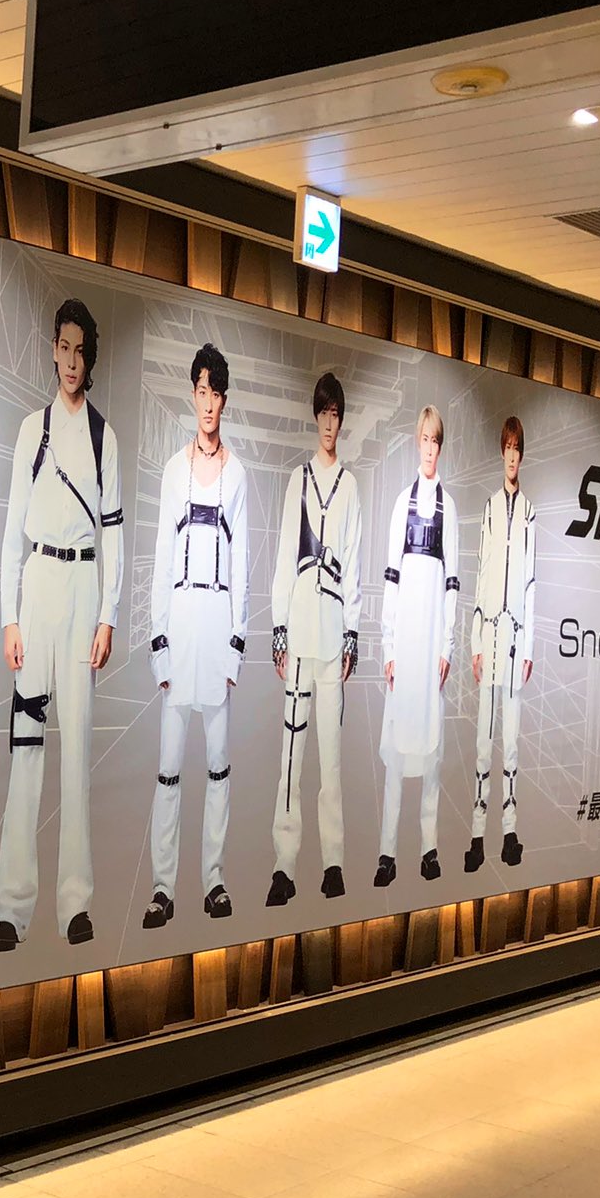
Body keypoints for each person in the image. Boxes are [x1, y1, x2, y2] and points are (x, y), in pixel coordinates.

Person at [0, 299, 123, 950]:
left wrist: (108, 615)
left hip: (82, 585)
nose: (71, 361)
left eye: (80, 351)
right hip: (38, 584)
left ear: (89, 358)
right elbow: (11, 528)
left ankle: (75, 905)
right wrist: (8, 617)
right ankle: (11, 908)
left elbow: (115, 532)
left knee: (75, 755)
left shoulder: (103, 437)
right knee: (26, 748)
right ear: (53, 350)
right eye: (63, 348)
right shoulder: (31, 431)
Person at [147, 343, 247, 927]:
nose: (208, 403)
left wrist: (236, 646)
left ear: (225, 400)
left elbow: (243, 567)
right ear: (194, 395)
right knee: (168, 769)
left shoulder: (237, 474)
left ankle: (214, 881)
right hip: (179, 632)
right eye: (201, 391)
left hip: (216, 635)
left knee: (217, 766)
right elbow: (161, 560)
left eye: (216, 393)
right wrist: (158, 644)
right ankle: (163, 888)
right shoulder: (172, 470)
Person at [267, 372, 363, 906]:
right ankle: (284, 866)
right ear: (315, 417)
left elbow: (355, 564)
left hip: (332, 635)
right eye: (323, 413)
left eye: (336, 414)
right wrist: (278, 628)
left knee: (331, 758)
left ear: (341, 421)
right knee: (290, 755)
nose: (329, 423)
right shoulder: (298, 481)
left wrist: (352, 635)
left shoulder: (350, 485)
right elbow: (285, 556)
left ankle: (333, 864)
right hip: (300, 632)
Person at [376, 405, 459, 888]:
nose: (429, 449)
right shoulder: (400, 504)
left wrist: (447, 646)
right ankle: (387, 853)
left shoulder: (450, 509)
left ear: (441, 446)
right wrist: (387, 646)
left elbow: (453, 583)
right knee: (395, 751)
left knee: (431, 752)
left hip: (431, 651)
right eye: (424, 439)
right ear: (417, 443)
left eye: (435, 441)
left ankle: (429, 850)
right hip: (404, 646)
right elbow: (390, 577)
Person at [467, 415, 536, 872]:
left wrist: (529, 647)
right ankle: (477, 835)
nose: (512, 456)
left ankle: (510, 832)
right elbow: (480, 573)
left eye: (517, 448)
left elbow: (531, 582)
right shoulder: (490, 508)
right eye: (507, 447)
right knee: (483, 738)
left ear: (522, 455)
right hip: (490, 634)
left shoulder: (529, 512)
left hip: (515, 638)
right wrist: (475, 639)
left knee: (510, 740)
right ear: (501, 452)